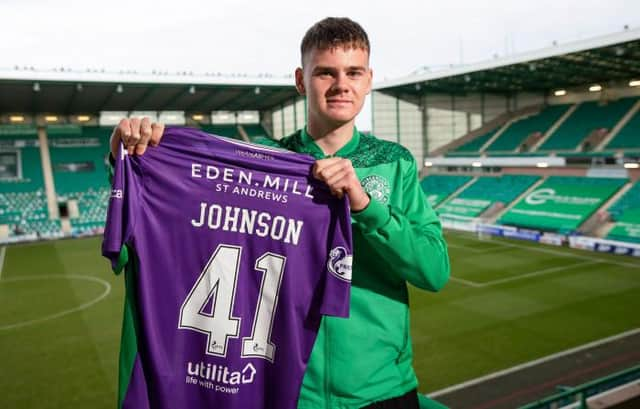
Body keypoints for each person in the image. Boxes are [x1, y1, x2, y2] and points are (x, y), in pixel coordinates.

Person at [109, 17, 450, 409]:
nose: (342, 85)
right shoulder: (262, 164)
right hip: (288, 392)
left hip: (383, 389)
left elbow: (434, 270)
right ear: (301, 80)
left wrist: (365, 207)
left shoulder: (395, 163)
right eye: (326, 73)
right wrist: (131, 159)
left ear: (369, 79)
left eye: (353, 72)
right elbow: (174, 221)